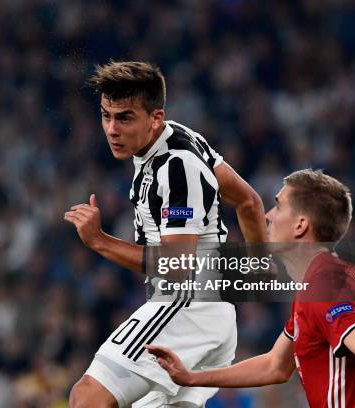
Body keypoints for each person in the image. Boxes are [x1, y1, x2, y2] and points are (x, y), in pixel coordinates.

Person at [64, 61, 266, 407]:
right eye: (106, 115)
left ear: (154, 118)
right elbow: (248, 201)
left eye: (125, 117)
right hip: (210, 314)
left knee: (87, 397)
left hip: (185, 307)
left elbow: (177, 265)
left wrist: (99, 240)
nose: (112, 129)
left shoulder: (176, 167)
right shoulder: (181, 137)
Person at [146, 169, 355, 408]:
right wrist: (191, 378)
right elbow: (276, 365)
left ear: (300, 225)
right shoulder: (323, 278)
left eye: (278, 206)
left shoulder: (323, 284)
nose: (268, 215)